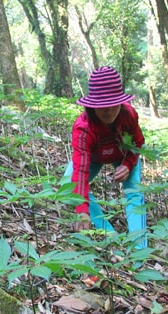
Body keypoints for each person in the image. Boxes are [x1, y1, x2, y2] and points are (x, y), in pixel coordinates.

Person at [63, 66, 147, 249]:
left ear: (121, 102)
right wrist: (82, 211)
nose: (108, 111)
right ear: (92, 106)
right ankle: (109, 235)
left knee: (133, 191)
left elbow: (138, 142)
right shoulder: (83, 128)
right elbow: (81, 172)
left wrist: (128, 163)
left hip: (123, 152)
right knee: (67, 185)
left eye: (113, 104)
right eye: (102, 106)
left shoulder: (129, 115)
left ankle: (139, 249)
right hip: (94, 158)